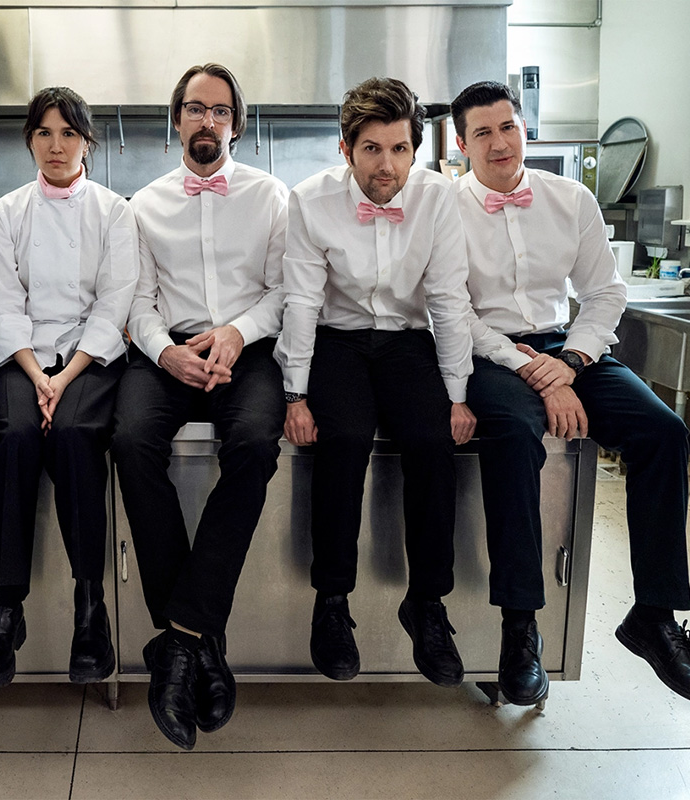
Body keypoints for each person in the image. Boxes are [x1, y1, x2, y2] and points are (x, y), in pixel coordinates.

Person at [450, 80, 690, 709]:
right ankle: (520, 630)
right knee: (516, 435)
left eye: (508, 127)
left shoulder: (570, 198)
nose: (500, 142)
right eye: (483, 133)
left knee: (663, 433)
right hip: (490, 350)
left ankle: (654, 617)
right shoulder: (444, 208)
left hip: (566, 346)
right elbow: (451, 311)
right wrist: (534, 370)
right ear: (462, 144)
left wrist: (570, 363)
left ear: (525, 130)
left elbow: (604, 293)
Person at [276, 77, 475, 688]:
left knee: (432, 441)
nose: (386, 165)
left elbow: (448, 299)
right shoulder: (310, 200)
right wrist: (295, 394)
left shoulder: (437, 199)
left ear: (415, 148)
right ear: (345, 149)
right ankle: (332, 601)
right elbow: (302, 300)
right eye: (371, 149)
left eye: (399, 149)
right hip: (336, 339)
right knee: (343, 439)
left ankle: (427, 603)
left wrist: (458, 395)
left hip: (407, 340)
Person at [111, 63, 288, 750]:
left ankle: (179, 638)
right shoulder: (143, 205)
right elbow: (137, 300)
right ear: (176, 120)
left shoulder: (271, 196)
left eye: (219, 110)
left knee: (254, 445)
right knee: (130, 441)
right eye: (194, 108)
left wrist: (237, 333)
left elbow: (283, 290)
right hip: (169, 354)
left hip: (247, 351)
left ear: (236, 124)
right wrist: (165, 353)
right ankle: (199, 640)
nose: (207, 120)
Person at [0, 87, 138, 688]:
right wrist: (37, 374)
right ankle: (6, 607)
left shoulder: (114, 212)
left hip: (91, 358)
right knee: (15, 435)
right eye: (44, 133)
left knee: (72, 433)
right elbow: (1, 301)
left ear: (87, 142)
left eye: (69, 133)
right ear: (30, 141)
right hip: (23, 357)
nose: (56, 145)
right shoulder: (7, 211)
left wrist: (64, 377)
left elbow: (115, 301)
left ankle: (90, 607)